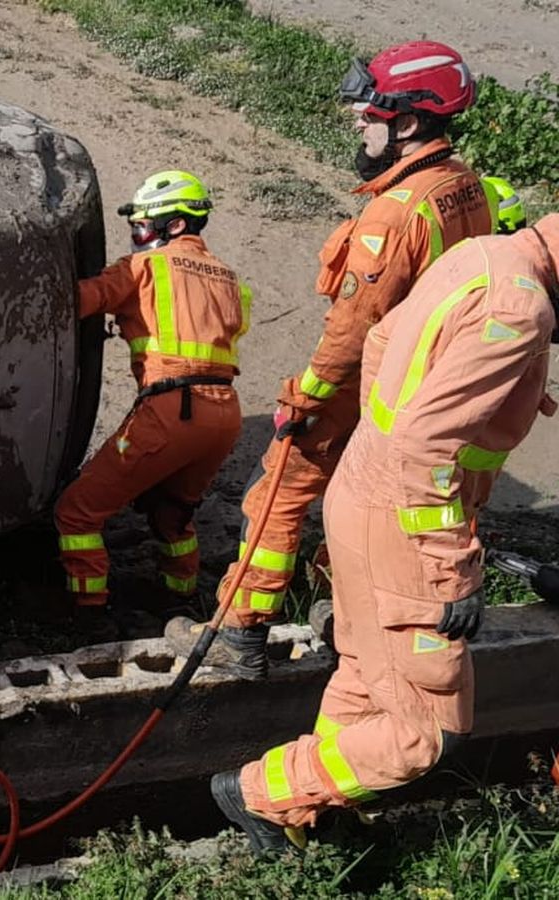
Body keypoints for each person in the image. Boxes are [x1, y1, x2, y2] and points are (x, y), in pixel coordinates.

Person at [213, 214, 559, 854]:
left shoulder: (485, 254)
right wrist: (452, 566)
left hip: (366, 502)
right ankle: (261, 793)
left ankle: (312, 815)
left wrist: (375, 453)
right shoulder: (520, 309)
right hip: (408, 525)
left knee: (369, 683)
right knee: (428, 730)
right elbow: (426, 442)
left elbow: (379, 344)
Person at [168, 41, 491, 677]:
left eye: (370, 115)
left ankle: (240, 631)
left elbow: (352, 326)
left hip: (366, 381)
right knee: (369, 506)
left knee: (278, 495)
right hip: (421, 385)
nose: (358, 124)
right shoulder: (465, 187)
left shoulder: (393, 216)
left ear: (410, 122)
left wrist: (305, 400)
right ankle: (347, 613)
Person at [56, 171, 250, 640]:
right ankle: (180, 595)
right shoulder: (228, 278)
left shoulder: (142, 269)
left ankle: (90, 613)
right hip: (225, 413)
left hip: (171, 409)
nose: (137, 235)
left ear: (176, 225)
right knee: (173, 512)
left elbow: (77, 300)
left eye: (143, 225)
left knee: (77, 512)